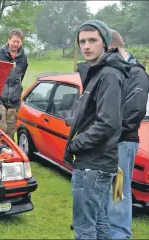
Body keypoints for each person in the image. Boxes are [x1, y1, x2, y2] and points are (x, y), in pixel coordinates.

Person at [64, 20, 130, 239]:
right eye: (82, 41)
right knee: (99, 222)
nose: (86, 46)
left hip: (94, 164)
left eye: (92, 40)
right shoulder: (98, 72)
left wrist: (75, 144)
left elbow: (107, 123)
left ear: (105, 43)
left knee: (84, 226)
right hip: (96, 162)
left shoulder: (109, 75)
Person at [107, 29, 149, 239]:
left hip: (122, 143)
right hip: (108, 141)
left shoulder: (136, 73)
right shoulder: (116, 70)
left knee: (118, 190)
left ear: (112, 48)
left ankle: (119, 234)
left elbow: (133, 113)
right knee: (107, 188)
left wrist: (107, 133)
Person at [0, 29, 28, 140]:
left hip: (14, 101)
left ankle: (9, 155)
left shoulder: (23, 58)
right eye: (13, 41)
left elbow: (21, 76)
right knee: (0, 129)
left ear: (21, 42)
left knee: (10, 132)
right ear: (8, 40)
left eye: (18, 42)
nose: (15, 44)